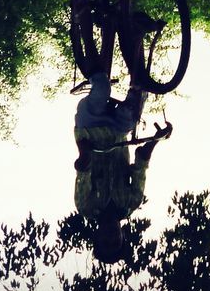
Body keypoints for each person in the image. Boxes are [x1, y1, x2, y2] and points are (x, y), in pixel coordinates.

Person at [73, 73, 173, 264]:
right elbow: (141, 164)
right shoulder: (131, 201)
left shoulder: (86, 206)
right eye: (115, 241)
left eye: (105, 241)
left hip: (90, 128)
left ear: (97, 237)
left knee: (102, 86)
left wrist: (84, 155)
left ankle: (90, 56)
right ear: (122, 236)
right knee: (140, 89)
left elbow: (82, 169)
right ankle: (135, 52)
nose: (110, 235)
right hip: (119, 130)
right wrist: (157, 140)